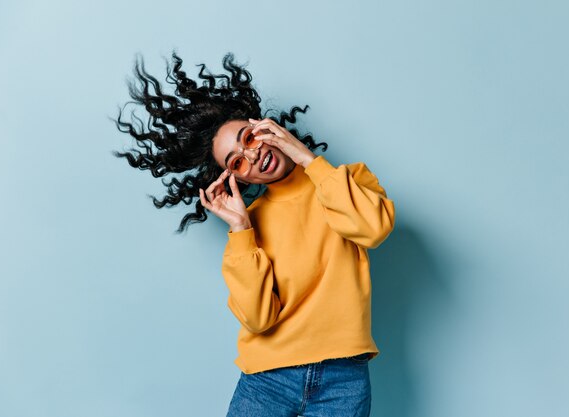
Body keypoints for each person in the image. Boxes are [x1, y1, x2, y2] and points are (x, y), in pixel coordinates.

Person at [113, 51, 395, 417]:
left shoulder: (346, 181)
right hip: (267, 381)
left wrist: (307, 158)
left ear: (265, 126)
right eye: (236, 162)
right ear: (237, 178)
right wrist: (240, 229)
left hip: (344, 379)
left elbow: (373, 230)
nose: (252, 155)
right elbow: (259, 319)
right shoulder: (250, 227)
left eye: (249, 137)